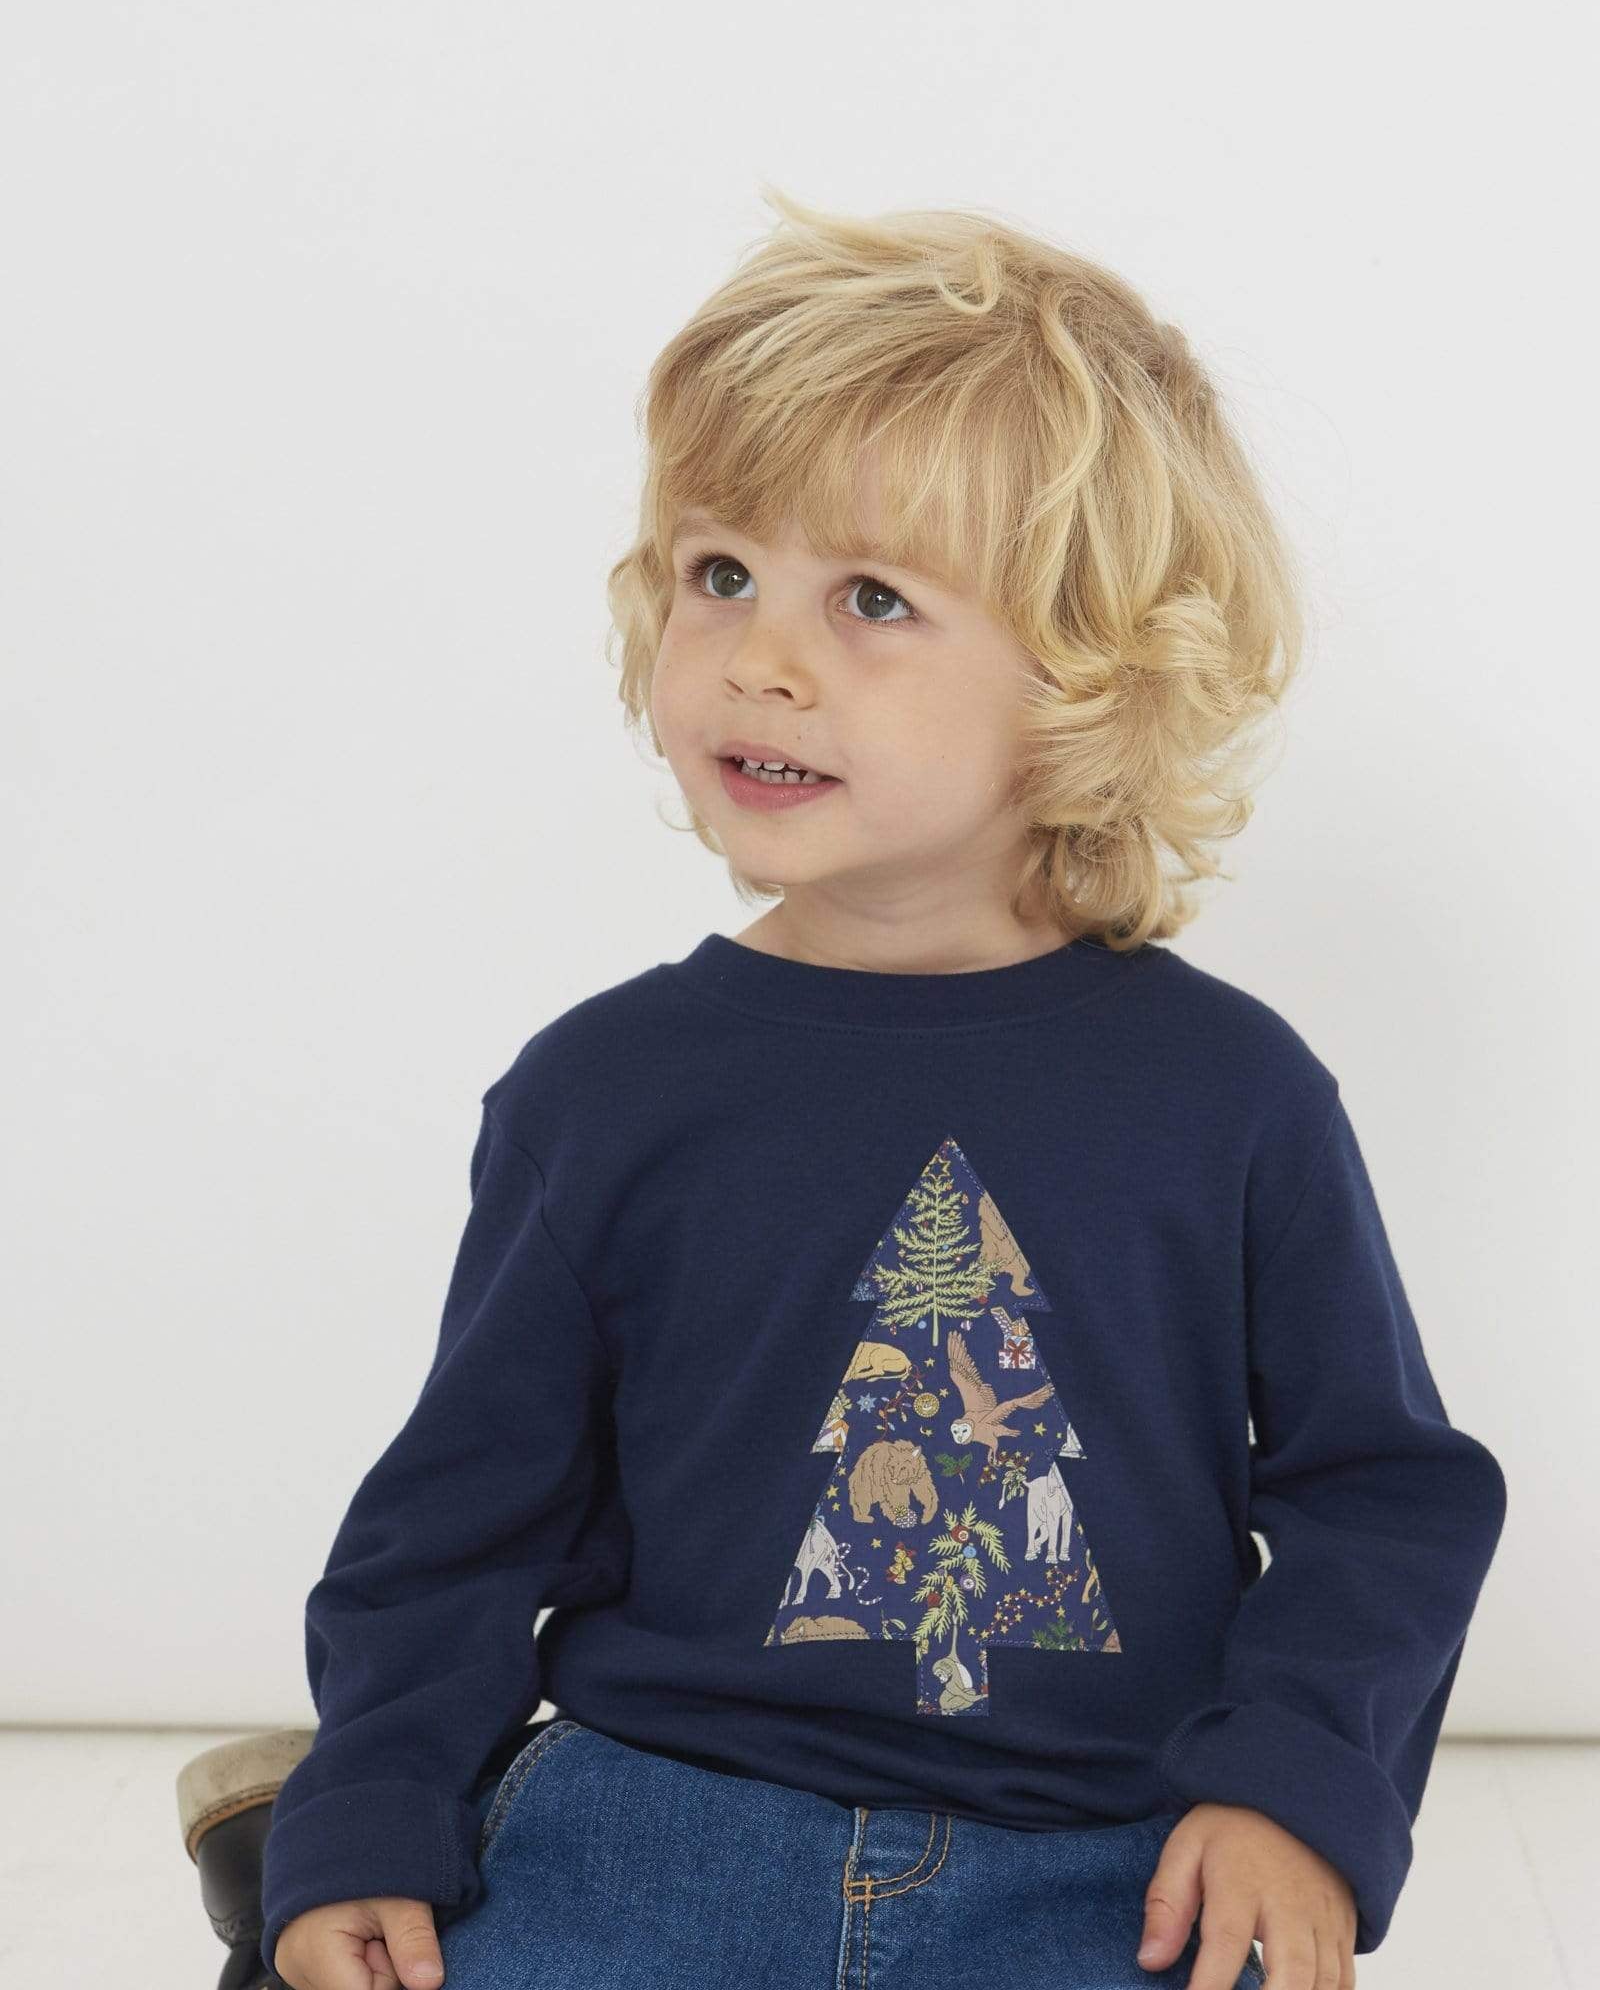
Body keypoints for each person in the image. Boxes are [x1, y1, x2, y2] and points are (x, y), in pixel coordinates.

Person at [260, 186, 1508, 1990]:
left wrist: (1299, 1797)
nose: (764, 654)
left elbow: (1380, 1493)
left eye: (870, 598)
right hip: (655, 1814)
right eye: (720, 574)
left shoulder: (1233, 1096)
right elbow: (454, 1519)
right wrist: (366, 1811)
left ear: (1086, 677)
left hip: (1112, 1854)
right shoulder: (600, 1092)